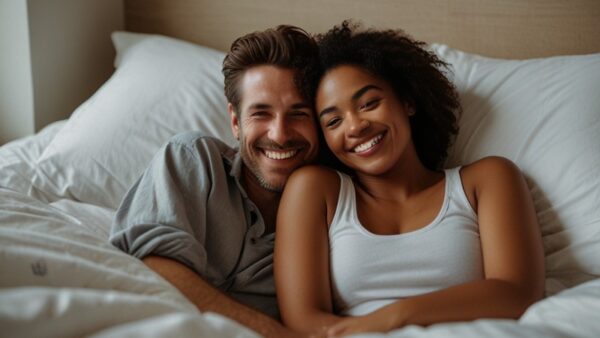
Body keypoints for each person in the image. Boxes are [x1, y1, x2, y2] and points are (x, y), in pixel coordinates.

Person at [274, 21, 545, 337]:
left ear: (408, 101)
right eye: (333, 121)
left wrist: (394, 318)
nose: (355, 126)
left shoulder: (486, 181)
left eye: (369, 103)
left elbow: (516, 293)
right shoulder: (316, 189)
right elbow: (303, 321)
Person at [110, 25, 320, 338]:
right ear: (235, 122)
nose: (279, 134)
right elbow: (152, 261)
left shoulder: (334, 207)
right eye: (261, 113)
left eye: (299, 113)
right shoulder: (194, 157)